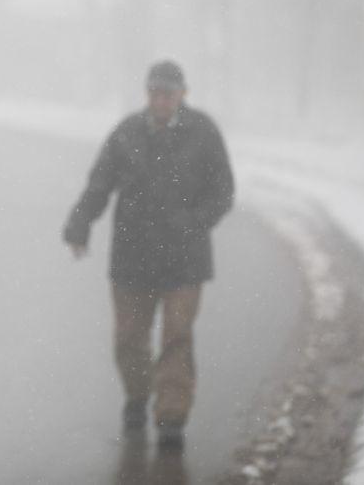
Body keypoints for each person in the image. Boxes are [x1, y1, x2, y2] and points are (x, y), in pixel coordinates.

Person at [62, 60, 234, 451]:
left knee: (176, 338)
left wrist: (193, 222)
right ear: (147, 93)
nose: (161, 100)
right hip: (132, 256)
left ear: (182, 94)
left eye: (169, 93)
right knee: (129, 339)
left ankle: (172, 417)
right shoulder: (127, 132)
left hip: (185, 261)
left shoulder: (203, 132)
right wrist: (79, 224)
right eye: (155, 92)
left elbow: (223, 190)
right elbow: (100, 183)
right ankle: (137, 396)